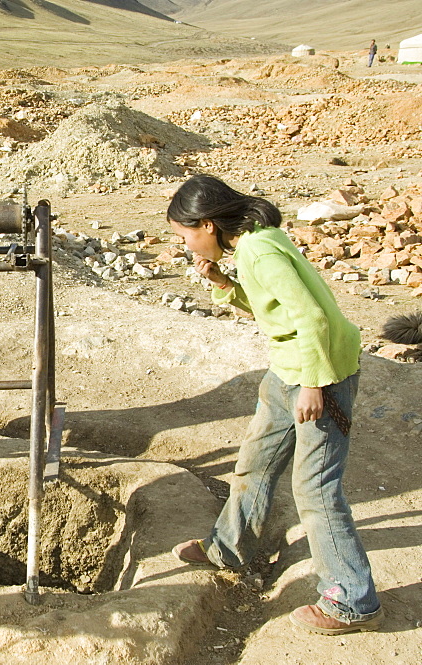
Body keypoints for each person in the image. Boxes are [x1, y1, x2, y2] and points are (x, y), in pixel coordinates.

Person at [167, 175, 382, 635]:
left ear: (206, 224)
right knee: (256, 461)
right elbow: (276, 310)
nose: (184, 245)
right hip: (288, 369)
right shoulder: (252, 245)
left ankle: (353, 599)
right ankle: (227, 546)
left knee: (315, 487)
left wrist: (313, 385)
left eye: (183, 234)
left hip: (319, 373)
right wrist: (223, 282)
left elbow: (312, 317)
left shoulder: (260, 250)